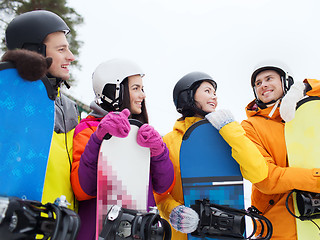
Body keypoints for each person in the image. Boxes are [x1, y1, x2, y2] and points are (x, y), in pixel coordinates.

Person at [241, 61, 320, 239]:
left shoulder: (312, 116)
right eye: (258, 83)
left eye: (269, 79)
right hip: (278, 226)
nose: (263, 85)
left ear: (285, 81)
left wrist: (306, 88)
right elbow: (267, 178)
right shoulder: (250, 126)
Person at [154, 71, 269, 239]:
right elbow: (160, 194)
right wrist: (174, 212)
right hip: (185, 234)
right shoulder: (169, 141)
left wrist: (230, 129)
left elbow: (258, 172)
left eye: (215, 93)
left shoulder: (228, 135)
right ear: (188, 96)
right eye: (207, 91)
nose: (214, 97)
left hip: (227, 230)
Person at [70, 58, 175, 240]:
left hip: (139, 231)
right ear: (114, 91)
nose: (142, 95)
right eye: (136, 88)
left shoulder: (142, 134)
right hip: (97, 232)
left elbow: (164, 187)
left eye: (142, 89)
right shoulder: (88, 129)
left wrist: (159, 153)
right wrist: (98, 139)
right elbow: (82, 189)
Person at [4, 10, 79, 210]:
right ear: (34, 51)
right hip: (17, 223)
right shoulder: (6, 100)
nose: (70, 57)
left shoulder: (70, 109)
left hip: (60, 223)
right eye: (61, 49)